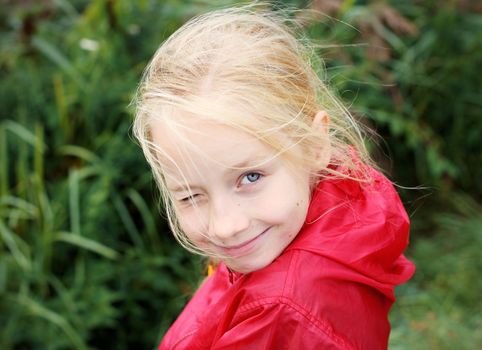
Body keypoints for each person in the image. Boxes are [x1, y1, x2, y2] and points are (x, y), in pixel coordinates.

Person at [133, 5, 415, 349]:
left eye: (250, 178)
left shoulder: (281, 311)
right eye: (191, 196)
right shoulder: (320, 218)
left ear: (313, 146)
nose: (225, 226)